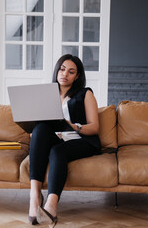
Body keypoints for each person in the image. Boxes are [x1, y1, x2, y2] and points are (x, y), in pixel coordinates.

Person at [28, 54, 102, 227]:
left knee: (57, 151)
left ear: (77, 76)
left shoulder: (85, 94)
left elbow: (94, 127)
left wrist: (73, 126)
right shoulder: (46, 94)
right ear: (57, 71)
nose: (64, 74)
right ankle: (34, 197)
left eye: (71, 71)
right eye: (62, 69)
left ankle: (51, 206)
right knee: (39, 129)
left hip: (81, 140)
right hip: (57, 139)